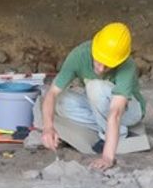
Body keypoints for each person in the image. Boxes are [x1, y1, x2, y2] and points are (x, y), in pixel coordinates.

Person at [40, 22, 145, 171]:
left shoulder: (127, 66)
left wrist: (107, 157)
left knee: (95, 87)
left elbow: (115, 113)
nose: (101, 69)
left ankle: (116, 135)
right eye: (98, 61)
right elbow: (52, 93)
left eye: (108, 66)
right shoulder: (79, 55)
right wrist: (48, 128)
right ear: (94, 50)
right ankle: (108, 129)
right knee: (61, 102)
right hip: (99, 104)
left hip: (129, 111)